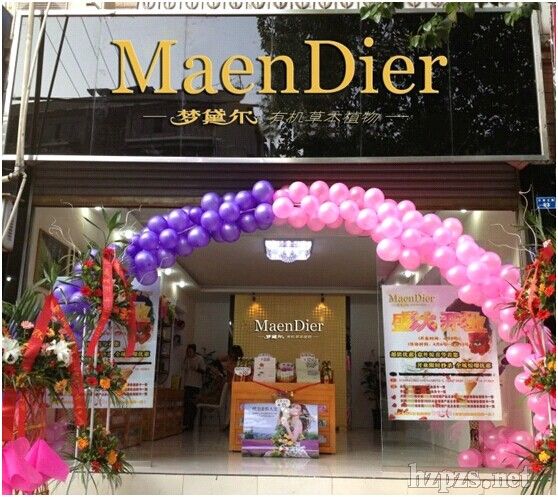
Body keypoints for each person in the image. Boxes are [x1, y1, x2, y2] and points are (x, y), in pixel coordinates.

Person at [183, 344, 206, 430]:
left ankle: (191, 424)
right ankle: (185, 423)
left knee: (193, 405)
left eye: (190, 351)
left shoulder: (200, 359)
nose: (189, 353)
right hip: (187, 383)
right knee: (186, 404)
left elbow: (204, 371)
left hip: (196, 385)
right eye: (188, 351)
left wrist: (196, 369)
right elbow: (185, 369)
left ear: (194, 351)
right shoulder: (187, 359)